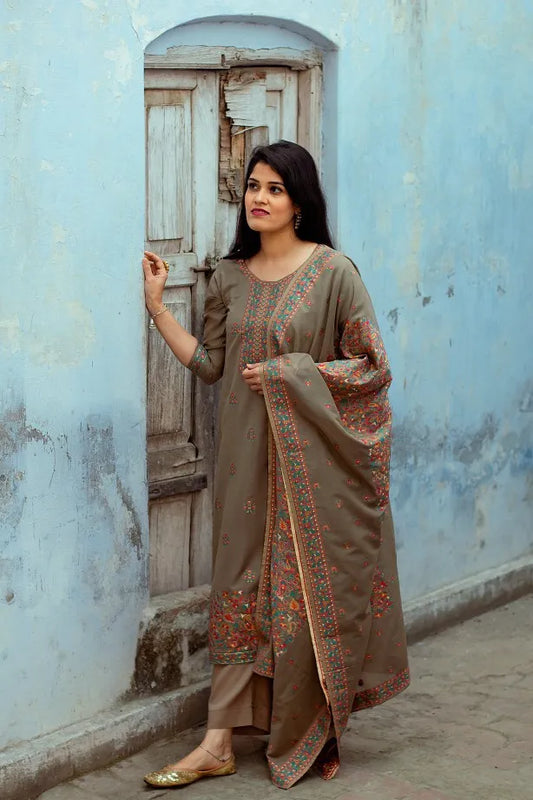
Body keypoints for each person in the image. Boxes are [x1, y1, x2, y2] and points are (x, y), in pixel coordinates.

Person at [142, 140, 409, 790]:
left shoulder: (332, 272)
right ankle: (217, 742)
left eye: (274, 189)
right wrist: (156, 307)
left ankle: (301, 720)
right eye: (253, 187)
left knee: (294, 596)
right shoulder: (229, 277)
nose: (258, 199)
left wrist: (294, 373)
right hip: (240, 467)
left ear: (299, 201)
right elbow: (209, 364)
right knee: (235, 595)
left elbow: (371, 367)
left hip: (306, 473)